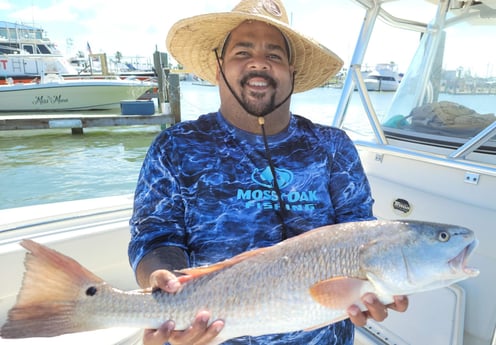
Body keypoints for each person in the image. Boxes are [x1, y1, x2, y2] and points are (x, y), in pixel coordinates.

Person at [128, 0, 408, 344]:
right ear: (219, 69)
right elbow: (155, 237)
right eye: (242, 52)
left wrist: (372, 290)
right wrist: (168, 287)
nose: (259, 62)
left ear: (292, 72)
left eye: (274, 55)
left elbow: (359, 235)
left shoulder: (332, 146)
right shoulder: (175, 147)